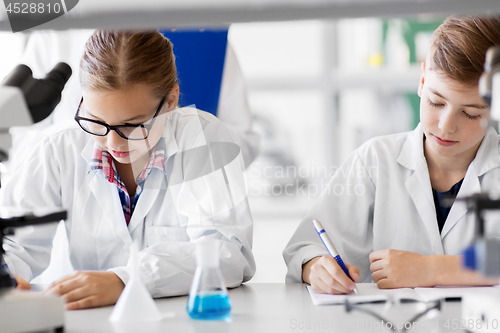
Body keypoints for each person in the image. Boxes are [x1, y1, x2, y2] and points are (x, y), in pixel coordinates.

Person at [0, 30, 255, 309]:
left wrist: (126, 279)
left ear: (170, 101)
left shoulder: (203, 139)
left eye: (131, 125)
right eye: (96, 121)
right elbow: (17, 246)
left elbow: (227, 252)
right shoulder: (59, 147)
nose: (112, 142)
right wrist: (7, 274)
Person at [284, 15, 500, 294]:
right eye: (436, 101)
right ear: (422, 80)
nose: (446, 126)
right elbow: (305, 247)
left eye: (470, 113)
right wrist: (316, 268)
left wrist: (431, 269)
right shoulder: (375, 160)